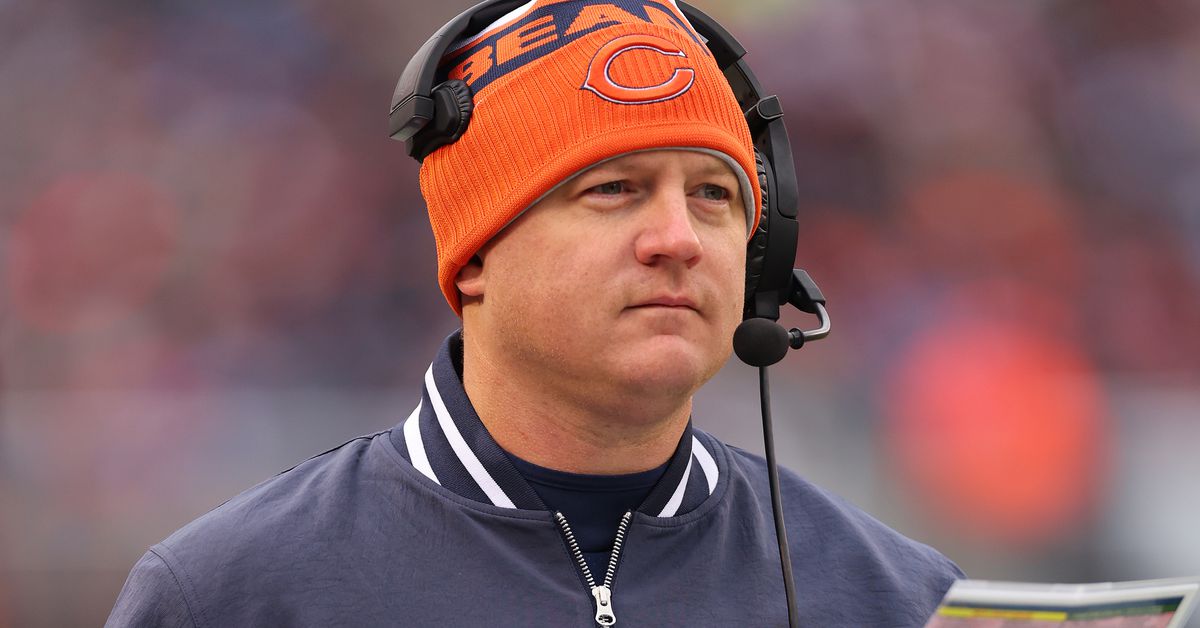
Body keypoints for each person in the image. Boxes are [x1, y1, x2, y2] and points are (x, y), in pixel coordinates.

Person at [107, 1, 962, 625]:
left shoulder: (900, 599)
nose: (678, 239)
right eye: (615, 189)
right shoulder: (230, 595)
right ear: (475, 251)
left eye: (712, 194)